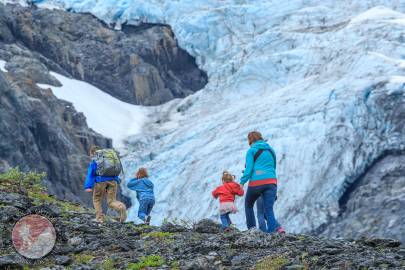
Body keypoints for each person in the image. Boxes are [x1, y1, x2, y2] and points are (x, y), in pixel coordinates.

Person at [240, 131, 285, 233]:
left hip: (256, 182)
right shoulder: (271, 150)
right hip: (271, 182)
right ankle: (272, 234)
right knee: (268, 210)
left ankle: (252, 230)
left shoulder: (251, 150)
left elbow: (248, 169)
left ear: (250, 140)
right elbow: (273, 167)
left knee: (249, 204)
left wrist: (242, 183)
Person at [84, 146, 127, 223]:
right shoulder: (109, 159)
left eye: (90, 154)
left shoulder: (95, 161)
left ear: (93, 153)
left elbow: (90, 175)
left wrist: (88, 186)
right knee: (111, 201)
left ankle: (99, 219)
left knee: (97, 199)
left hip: (101, 181)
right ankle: (120, 206)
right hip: (113, 181)